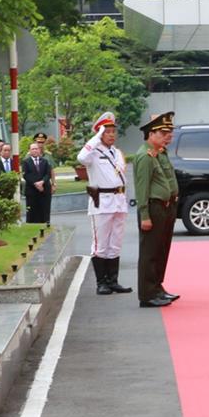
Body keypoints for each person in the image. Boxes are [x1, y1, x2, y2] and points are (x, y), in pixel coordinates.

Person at [77, 112, 131, 295]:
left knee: (115, 243)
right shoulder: (93, 153)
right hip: (102, 202)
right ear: (100, 133)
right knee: (100, 244)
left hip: (118, 201)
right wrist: (96, 136)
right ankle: (101, 282)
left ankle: (113, 281)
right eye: (107, 131)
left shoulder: (116, 153)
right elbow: (81, 158)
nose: (111, 134)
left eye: (113, 131)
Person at [133, 112, 179, 308]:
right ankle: (147, 294)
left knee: (161, 250)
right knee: (150, 253)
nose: (168, 136)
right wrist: (144, 215)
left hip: (166, 207)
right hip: (152, 208)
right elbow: (142, 188)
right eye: (163, 132)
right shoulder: (145, 156)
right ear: (151, 134)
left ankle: (157, 287)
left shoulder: (160, 152)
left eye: (169, 132)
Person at [23, 142, 53, 224]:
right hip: (32, 190)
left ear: (39, 150)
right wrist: (36, 184)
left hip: (44, 189)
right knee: (32, 210)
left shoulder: (45, 161)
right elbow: (26, 175)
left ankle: (46, 223)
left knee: (45, 208)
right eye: (33, 149)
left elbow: (48, 174)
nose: (35, 150)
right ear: (29, 151)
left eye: (36, 148)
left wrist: (42, 182)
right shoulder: (26, 162)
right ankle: (31, 225)